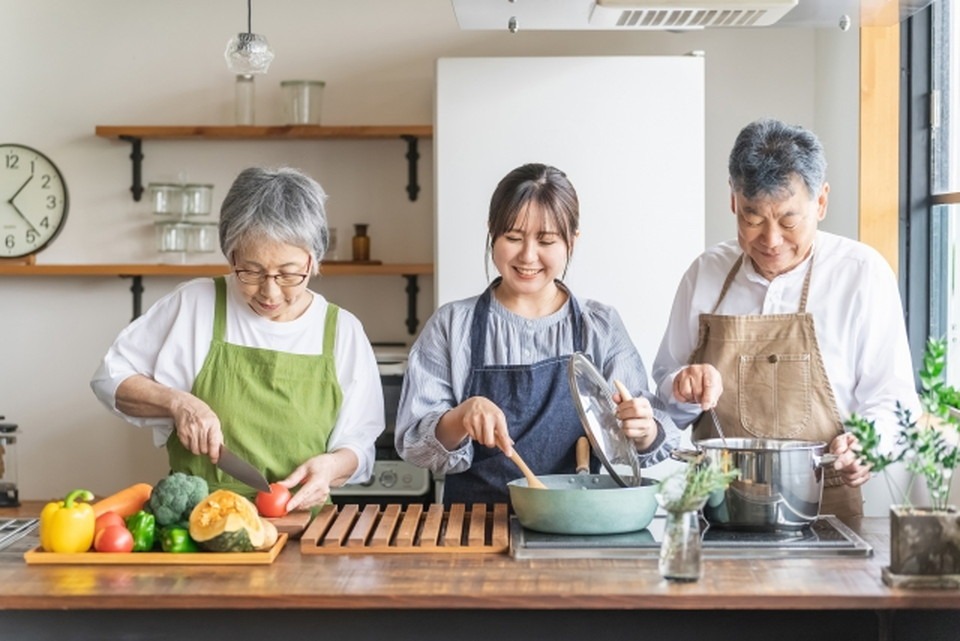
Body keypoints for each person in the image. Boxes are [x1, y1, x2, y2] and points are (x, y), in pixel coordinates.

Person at [651, 118, 921, 522]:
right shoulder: (705, 274)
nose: (771, 239)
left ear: (822, 202)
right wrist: (682, 386)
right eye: (752, 218)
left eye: (789, 220)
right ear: (733, 201)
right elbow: (665, 398)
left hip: (823, 508)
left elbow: (894, 397)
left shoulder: (861, 273)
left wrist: (868, 445)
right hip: (717, 507)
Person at [91, 167, 384, 511]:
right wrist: (179, 403)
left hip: (301, 523)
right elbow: (109, 379)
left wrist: (332, 467)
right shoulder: (194, 304)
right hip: (196, 521)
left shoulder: (343, 331)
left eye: (289, 274)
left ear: (313, 259)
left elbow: (360, 444)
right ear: (231, 256)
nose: (270, 291)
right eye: (251, 271)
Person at [395, 163, 680, 505]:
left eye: (546, 240)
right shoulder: (452, 325)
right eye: (513, 238)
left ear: (572, 242)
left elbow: (647, 437)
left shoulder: (600, 325)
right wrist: (460, 417)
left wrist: (643, 430)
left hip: (574, 524)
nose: (528, 256)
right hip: (473, 527)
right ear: (492, 233)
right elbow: (415, 445)